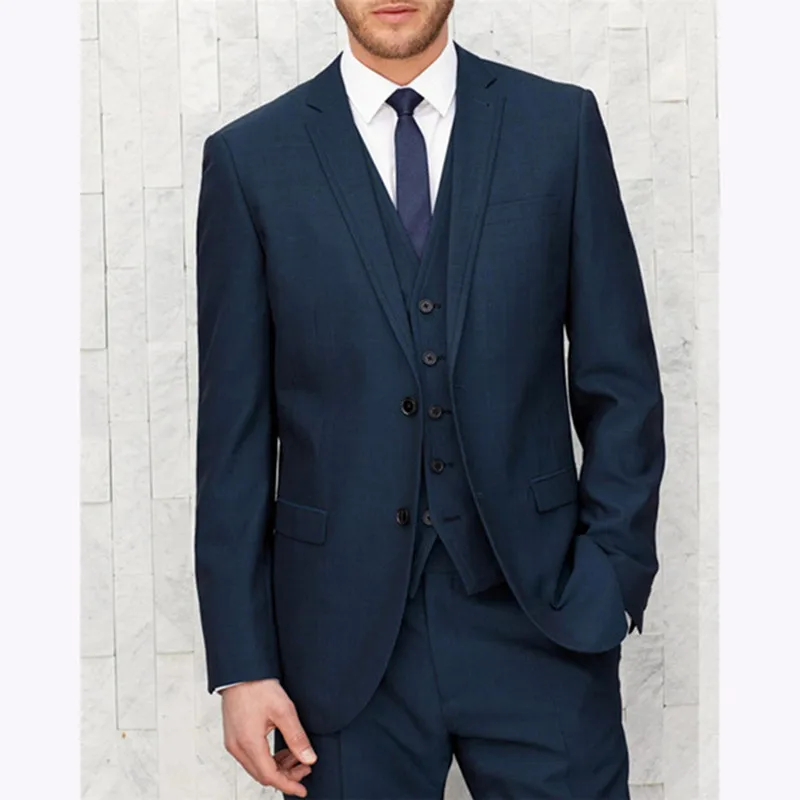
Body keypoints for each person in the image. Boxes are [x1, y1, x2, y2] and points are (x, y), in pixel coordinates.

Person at [193, 1, 665, 797]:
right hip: (338, 649)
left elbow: (621, 380)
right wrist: (242, 664)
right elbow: (233, 438)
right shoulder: (250, 160)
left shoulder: (558, 127)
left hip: (542, 622)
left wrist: (611, 580)